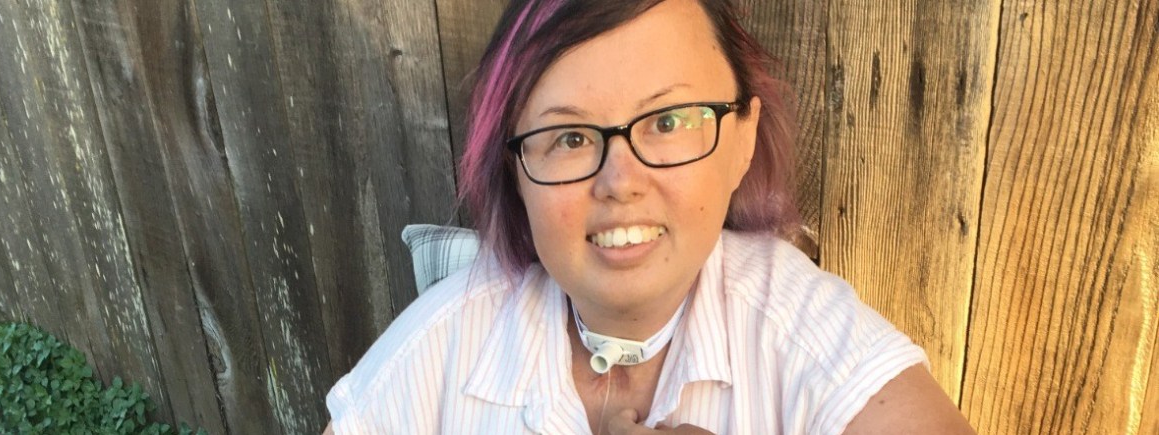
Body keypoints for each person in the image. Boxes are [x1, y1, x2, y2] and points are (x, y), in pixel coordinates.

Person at [325, 0, 975, 433]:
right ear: (515, 173)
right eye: (570, 136)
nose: (620, 182)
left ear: (743, 136)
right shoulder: (443, 341)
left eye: (667, 121)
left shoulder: (800, 328)